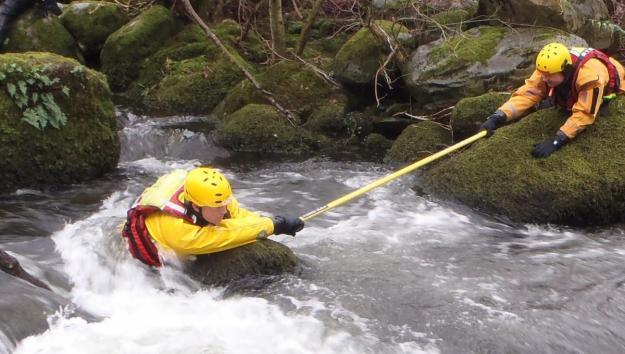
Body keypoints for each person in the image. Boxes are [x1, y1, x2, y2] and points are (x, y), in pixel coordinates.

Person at [121, 167, 304, 267]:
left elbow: (238, 217)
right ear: (195, 206)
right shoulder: (179, 232)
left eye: (225, 203)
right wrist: (274, 226)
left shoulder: (213, 198)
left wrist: (271, 221)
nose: (224, 212)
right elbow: (227, 235)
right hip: (151, 250)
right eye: (218, 208)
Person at [480, 42, 625, 158]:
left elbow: (584, 114)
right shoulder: (548, 68)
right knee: (548, 99)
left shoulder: (590, 78)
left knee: (589, 108)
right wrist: (497, 117)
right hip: (572, 81)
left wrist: (557, 140)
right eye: (542, 74)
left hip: (613, 83)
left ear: (565, 70)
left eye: (548, 76)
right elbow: (528, 93)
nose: (543, 78)